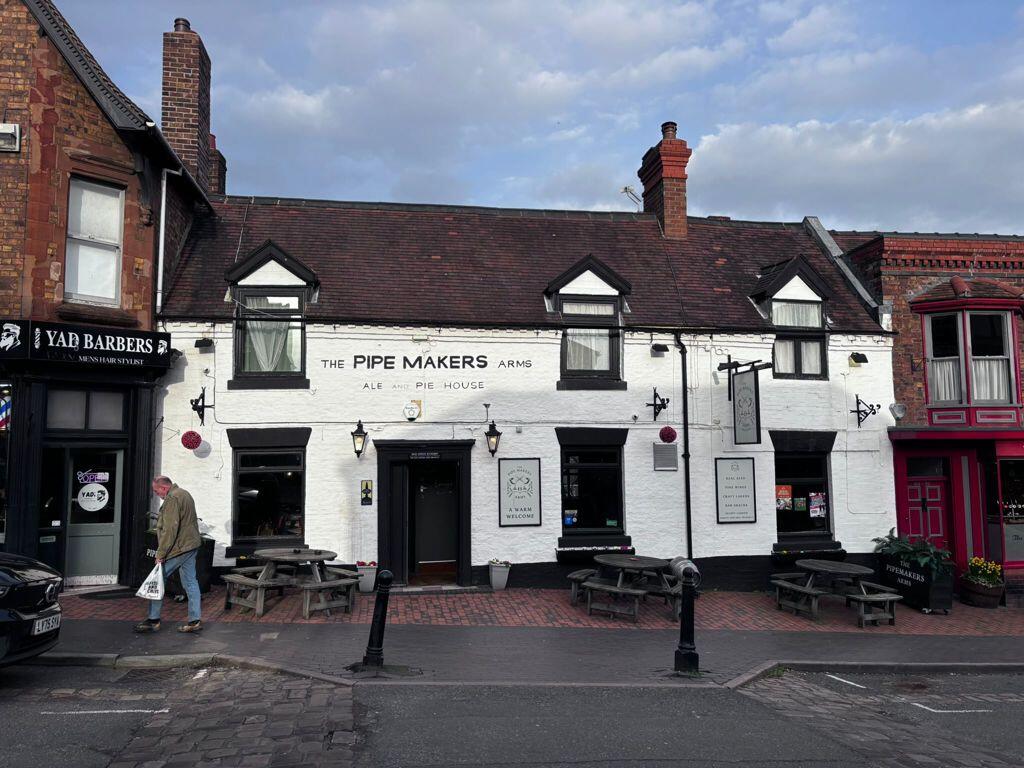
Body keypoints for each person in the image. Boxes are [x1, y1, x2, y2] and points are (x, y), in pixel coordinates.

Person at [134, 476, 203, 633]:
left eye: (156, 490)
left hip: (178, 548)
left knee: (157, 581)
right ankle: (195, 620)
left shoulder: (172, 498)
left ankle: (153, 620)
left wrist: (161, 553)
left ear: (164, 488)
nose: (156, 493)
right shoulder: (185, 493)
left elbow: (170, 530)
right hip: (191, 545)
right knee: (191, 582)